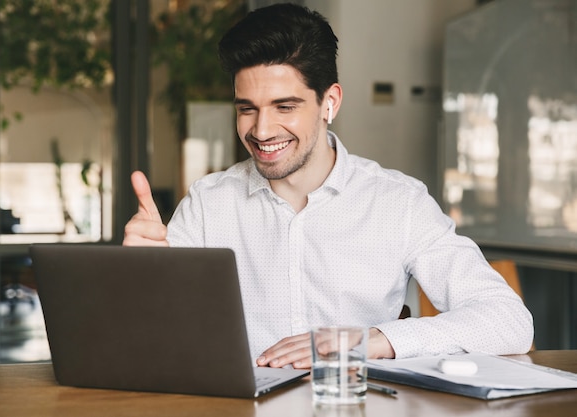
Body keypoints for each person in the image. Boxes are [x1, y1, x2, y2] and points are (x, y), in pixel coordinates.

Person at [123, 3, 533, 369]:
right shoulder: (208, 204)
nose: (261, 130)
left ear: (330, 102)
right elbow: (149, 337)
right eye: (247, 109)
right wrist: (139, 280)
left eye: (285, 106)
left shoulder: (398, 202)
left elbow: (509, 321)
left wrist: (376, 341)